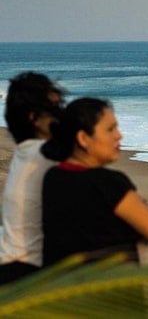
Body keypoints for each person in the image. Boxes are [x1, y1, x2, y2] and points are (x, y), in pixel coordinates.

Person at [41, 97, 148, 266]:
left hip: (62, 284)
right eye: (110, 129)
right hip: (108, 285)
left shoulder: (52, 176)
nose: (119, 135)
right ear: (83, 138)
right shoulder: (108, 183)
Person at [0, 72, 65, 284]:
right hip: (28, 272)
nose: (60, 116)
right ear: (34, 118)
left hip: (11, 264)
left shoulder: (24, 151)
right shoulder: (46, 155)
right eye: (54, 110)